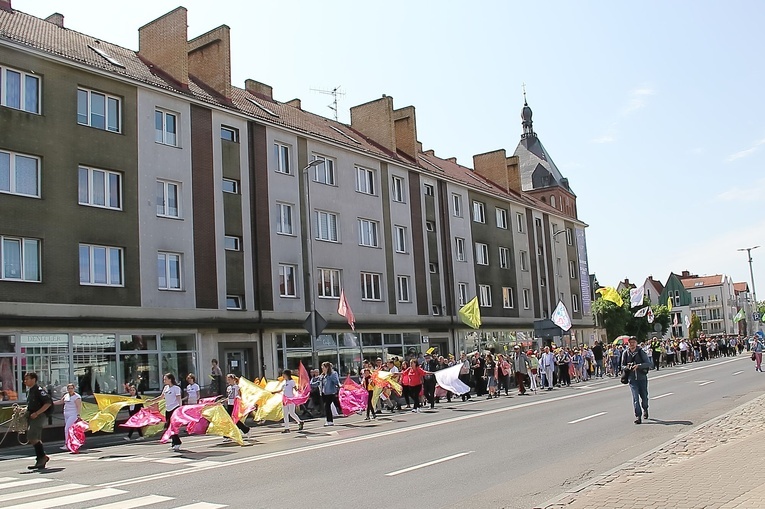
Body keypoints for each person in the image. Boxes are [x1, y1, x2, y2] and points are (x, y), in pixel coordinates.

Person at [23, 372, 53, 469]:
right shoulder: (30, 391)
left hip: (39, 416)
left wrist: (37, 413)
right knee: (35, 438)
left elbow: (48, 403)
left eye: (27, 379)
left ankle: (42, 457)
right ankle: (40, 459)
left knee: (32, 436)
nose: (25, 381)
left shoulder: (39, 390)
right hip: (32, 416)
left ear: (33, 379)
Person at [621, 337, 651, 424]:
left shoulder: (641, 352)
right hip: (632, 379)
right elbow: (622, 366)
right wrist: (627, 367)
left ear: (636, 343)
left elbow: (649, 363)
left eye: (633, 342)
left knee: (644, 396)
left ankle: (645, 408)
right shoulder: (625, 353)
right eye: (630, 342)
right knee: (635, 398)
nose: (632, 344)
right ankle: (638, 416)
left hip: (642, 378)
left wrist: (639, 366)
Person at [54, 383, 82, 451]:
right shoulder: (66, 395)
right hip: (66, 414)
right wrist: (51, 403)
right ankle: (73, 443)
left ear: (74, 389)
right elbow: (61, 402)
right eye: (69, 388)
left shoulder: (77, 397)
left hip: (73, 414)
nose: (70, 390)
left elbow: (79, 406)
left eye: (71, 388)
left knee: (67, 429)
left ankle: (67, 444)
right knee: (70, 430)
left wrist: (78, 415)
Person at [320, 362, 341, 426]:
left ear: (327, 367)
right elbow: (319, 383)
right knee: (328, 406)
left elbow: (336, 381)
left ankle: (329, 421)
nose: (322, 368)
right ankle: (329, 420)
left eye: (323, 367)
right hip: (324, 393)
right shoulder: (323, 375)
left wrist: (339, 386)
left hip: (331, 392)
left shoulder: (333, 374)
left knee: (327, 406)